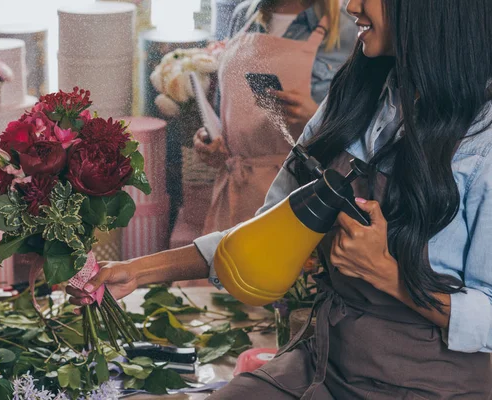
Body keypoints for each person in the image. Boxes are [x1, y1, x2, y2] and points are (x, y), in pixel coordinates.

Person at [69, 0, 492, 397]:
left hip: (435, 385)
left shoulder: (484, 145)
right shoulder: (358, 97)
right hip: (327, 362)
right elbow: (264, 234)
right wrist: (137, 271)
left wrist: (388, 276)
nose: (351, 6)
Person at [192, 0, 358, 235]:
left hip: (296, 196)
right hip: (234, 193)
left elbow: (361, 130)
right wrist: (212, 140)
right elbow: (230, 109)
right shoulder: (244, 15)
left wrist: (316, 120)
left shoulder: (348, 25)